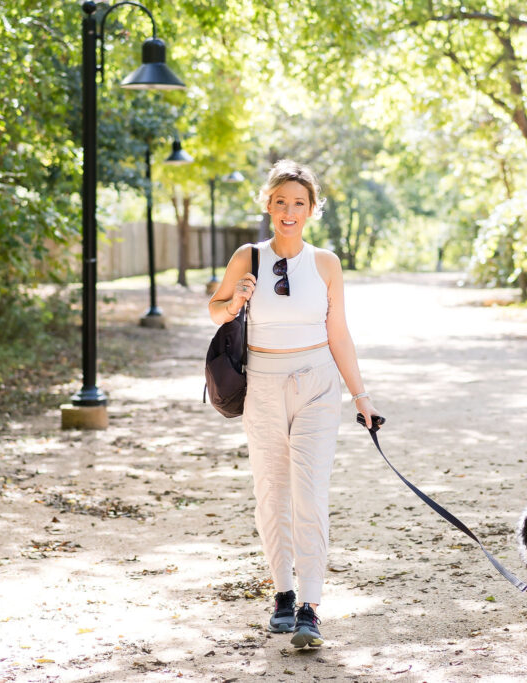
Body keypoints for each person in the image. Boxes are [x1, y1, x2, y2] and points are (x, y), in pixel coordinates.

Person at [208, 160, 382, 649]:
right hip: (262, 382)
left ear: (311, 210)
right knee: (272, 490)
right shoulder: (248, 256)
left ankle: (310, 605)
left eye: (299, 203)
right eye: (281, 201)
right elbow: (215, 310)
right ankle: (282, 593)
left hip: (318, 385)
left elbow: (339, 333)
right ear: (268, 204)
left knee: (310, 491)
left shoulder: (326, 263)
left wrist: (361, 396)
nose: (289, 211)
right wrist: (236, 301)